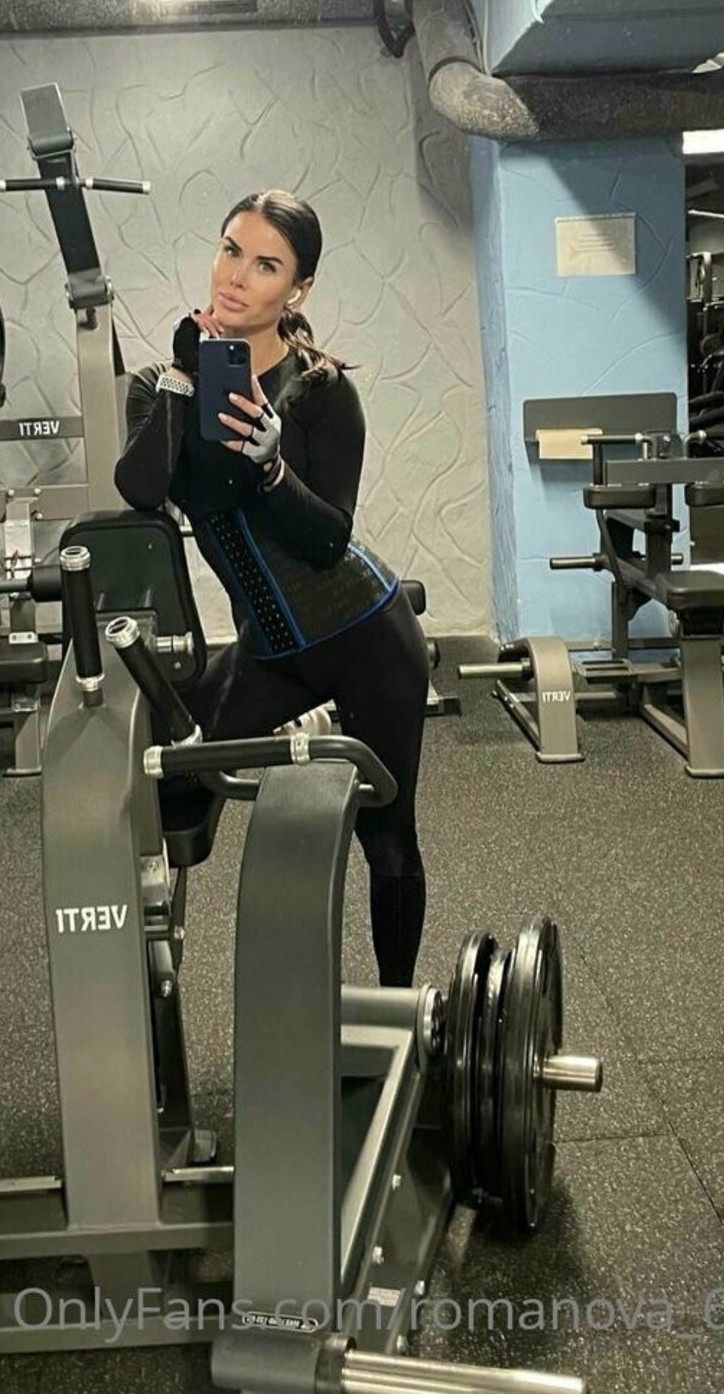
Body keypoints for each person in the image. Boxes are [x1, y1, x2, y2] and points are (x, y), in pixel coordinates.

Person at [114, 189, 430, 988]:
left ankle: (400, 1012)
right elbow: (141, 488)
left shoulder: (321, 392)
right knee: (168, 781)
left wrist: (272, 467)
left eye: (265, 265)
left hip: (367, 636)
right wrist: (183, 376)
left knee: (387, 835)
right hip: (274, 649)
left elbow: (327, 539)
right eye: (230, 250)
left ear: (298, 288)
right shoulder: (160, 383)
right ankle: (151, 993)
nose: (236, 276)